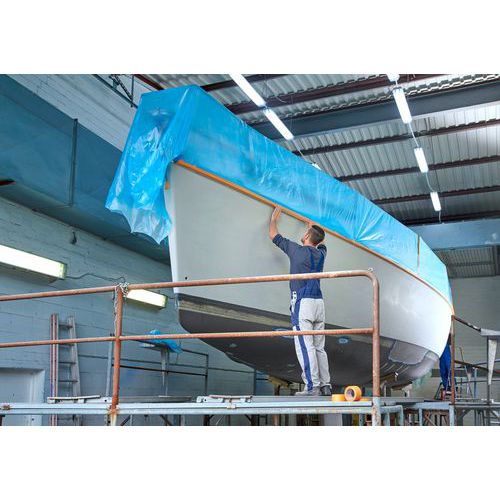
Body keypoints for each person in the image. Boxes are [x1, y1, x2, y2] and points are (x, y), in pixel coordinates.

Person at [269, 206, 332, 396]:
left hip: (303, 303)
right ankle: (325, 385)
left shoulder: (296, 250)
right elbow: (321, 240)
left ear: (306, 235)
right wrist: (311, 226)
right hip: (319, 303)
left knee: (305, 345)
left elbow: (273, 235)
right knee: (319, 347)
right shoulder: (321, 254)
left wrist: (273, 219)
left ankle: (312, 387)